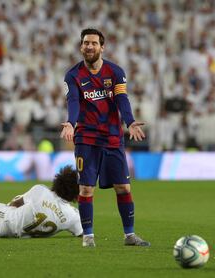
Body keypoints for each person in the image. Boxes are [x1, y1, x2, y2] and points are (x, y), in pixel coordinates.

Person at [60, 28, 149, 247]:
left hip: (112, 138)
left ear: (102, 47)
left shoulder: (115, 72)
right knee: (86, 189)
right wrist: (71, 122)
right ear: (81, 47)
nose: (88, 46)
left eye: (93, 43)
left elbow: (122, 99)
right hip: (87, 139)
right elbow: (73, 101)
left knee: (124, 188)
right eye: (85, 43)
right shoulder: (73, 75)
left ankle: (129, 235)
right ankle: (88, 237)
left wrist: (129, 121)